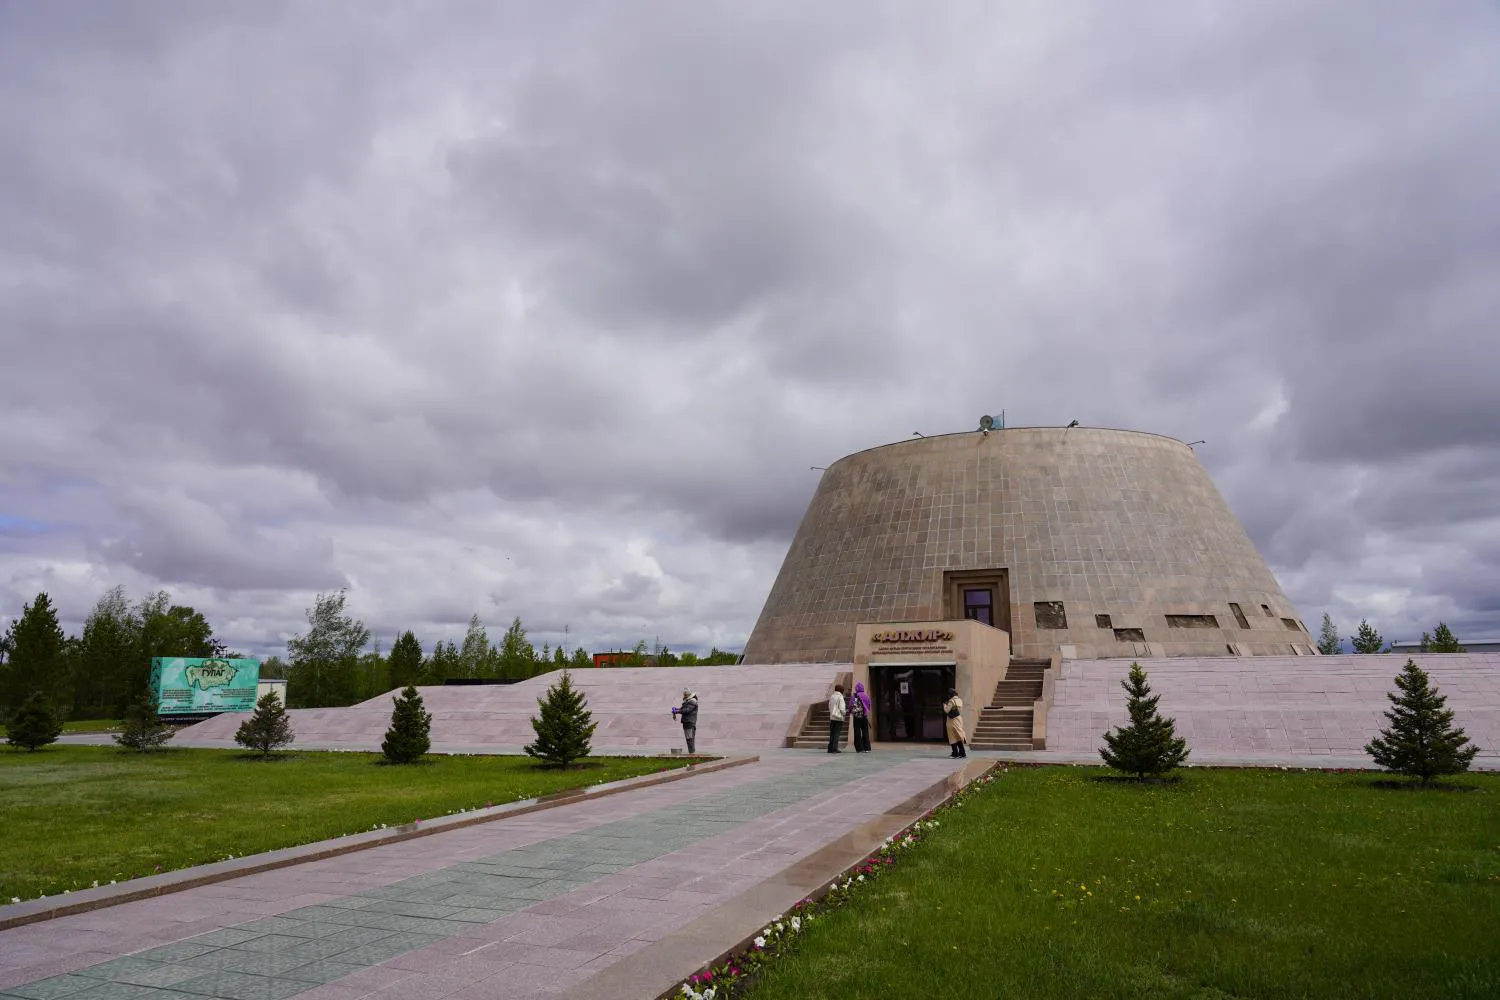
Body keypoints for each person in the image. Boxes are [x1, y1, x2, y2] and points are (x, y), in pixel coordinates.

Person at [943, 687, 967, 758]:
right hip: (958, 719)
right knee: (958, 736)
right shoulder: (960, 700)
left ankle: (955, 753)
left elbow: (947, 710)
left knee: (952, 737)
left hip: (952, 721)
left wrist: (944, 705)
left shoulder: (951, 701)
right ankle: (962, 753)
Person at [849, 681, 872, 752]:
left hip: (856, 717)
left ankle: (859, 748)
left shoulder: (855, 696)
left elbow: (851, 706)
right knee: (865, 732)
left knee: (857, 732)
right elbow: (869, 705)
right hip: (864, 717)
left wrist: (850, 711)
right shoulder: (866, 695)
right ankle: (867, 747)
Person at [827, 684, 847, 753]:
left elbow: (829, 706)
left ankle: (830, 748)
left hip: (832, 717)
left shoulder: (832, 696)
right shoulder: (840, 697)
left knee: (832, 733)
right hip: (838, 718)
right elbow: (842, 708)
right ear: (841, 690)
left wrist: (832, 713)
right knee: (836, 734)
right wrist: (844, 713)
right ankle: (835, 748)